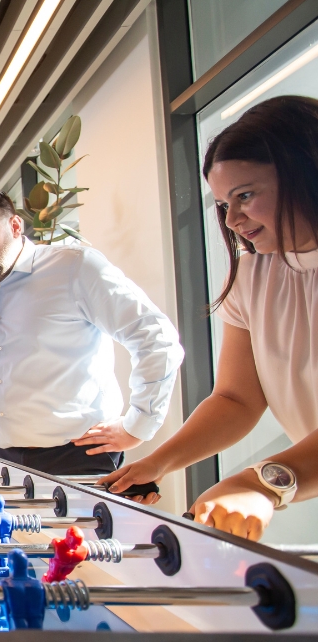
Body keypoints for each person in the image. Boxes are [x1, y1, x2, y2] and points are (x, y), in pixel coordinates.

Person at [101, 96, 318, 541]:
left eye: (245, 196)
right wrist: (158, 462)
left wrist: (264, 482)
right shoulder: (255, 274)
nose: (233, 218)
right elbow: (237, 399)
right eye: (222, 204)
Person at [0, 188, 183, 475]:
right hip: (3, 456)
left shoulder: (75, 267)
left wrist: (138, 425)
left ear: (15, 226)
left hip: (80, 455)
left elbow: (155, 336)